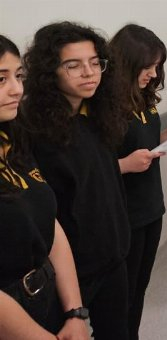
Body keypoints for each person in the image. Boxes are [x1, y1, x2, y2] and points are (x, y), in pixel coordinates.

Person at [20, 22, 130, 339]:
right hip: (68, 271)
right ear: (49, 71)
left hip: (112, 258)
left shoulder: (98, 114)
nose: (89, 72)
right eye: (74, 65)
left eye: (95, 62)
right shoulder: (31, 130)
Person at [0, 35, 89, 340]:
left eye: (19, 75)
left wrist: (75, 312)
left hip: (47, 296)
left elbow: (47, 223)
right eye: (1, 79)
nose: (17, 89)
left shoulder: (13, 139)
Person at [109, 24, 167, 340]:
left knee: (140, 286)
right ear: (126, 63)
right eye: (148, 66)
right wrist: (124, 165)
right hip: (125, 213)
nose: (154, 74)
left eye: (157, 66)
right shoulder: (107, 108)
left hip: (151, 206)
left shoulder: (144, 98)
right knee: (123, 293)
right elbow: (92, 169)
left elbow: (144, 143)